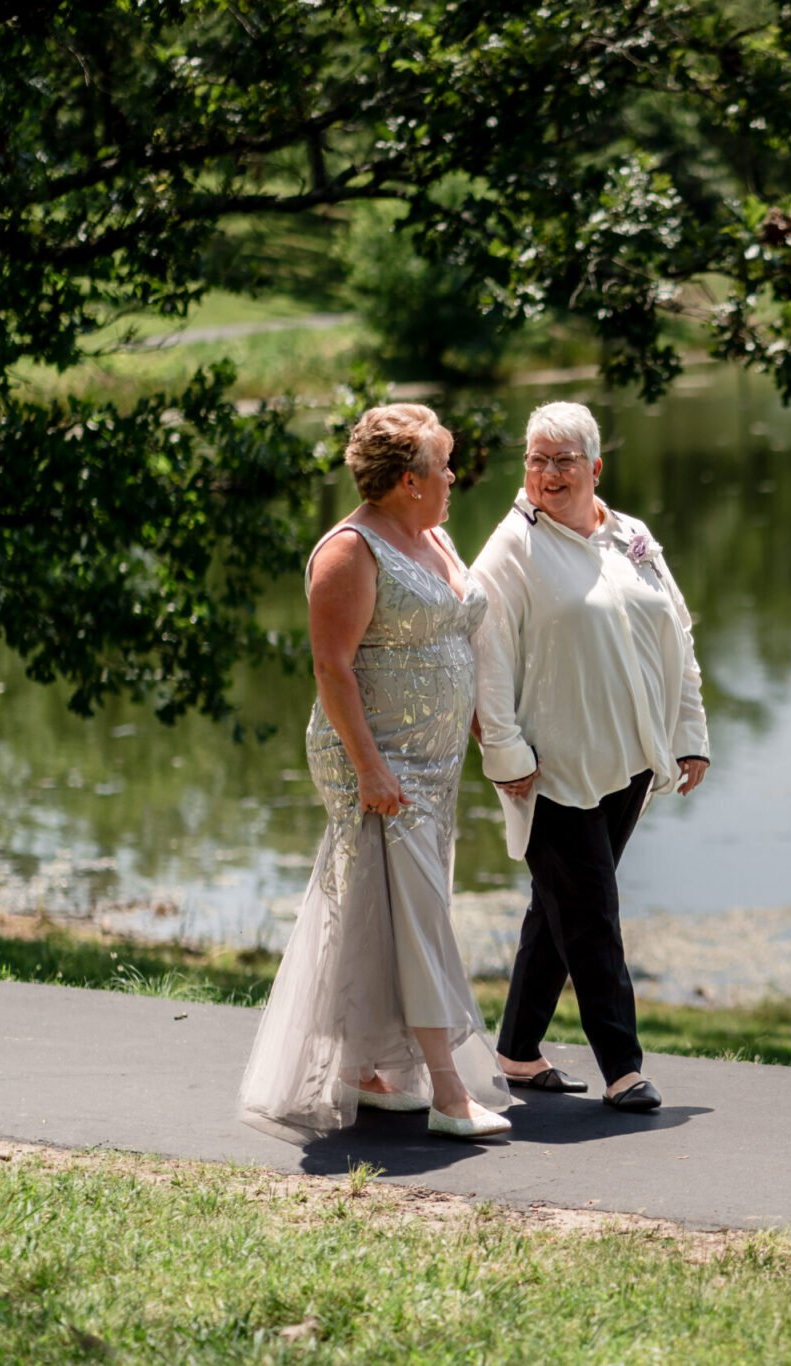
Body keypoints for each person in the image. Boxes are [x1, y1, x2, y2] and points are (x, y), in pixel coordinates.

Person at [240, 404, 512, 1142]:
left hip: (436, 758)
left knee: (386, 910)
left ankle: (368, 1069)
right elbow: (331, 668)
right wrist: (369, 768)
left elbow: (457, 635)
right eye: (442, 467)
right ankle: (450, 1094)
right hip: (378, 757)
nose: (453, 477)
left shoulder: (431, 534)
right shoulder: (350, 551)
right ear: (404, 482)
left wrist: (488, 731)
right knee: (418, 912)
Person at [471, 400, 709, 1114]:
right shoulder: (512, 547)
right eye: (536, 458)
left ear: (595, 468)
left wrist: (689, 733)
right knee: (594, 912)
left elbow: (678, 636)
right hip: (554, 768)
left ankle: (515, 1051)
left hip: (630, 763)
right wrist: (506, 754)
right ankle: (623, 1068)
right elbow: (486, 653)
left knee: (559, 907)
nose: (546, 473)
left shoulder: (630, 535)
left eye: (562, 460)